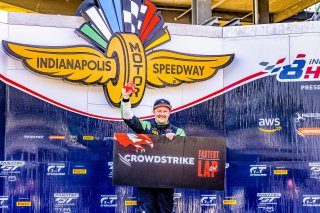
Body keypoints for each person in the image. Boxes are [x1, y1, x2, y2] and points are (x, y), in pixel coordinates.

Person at [121, 87, 185, 213]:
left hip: (166, 180)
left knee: (164, 210)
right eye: (158, 111)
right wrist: (125, 98)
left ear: (169, 113)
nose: (161, 113)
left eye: (164, 111)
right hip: (145, 178)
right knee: (145, 210)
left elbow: (185, 152)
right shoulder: (146, 125)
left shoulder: (178, 131)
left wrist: (176, 140)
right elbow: (127, 117)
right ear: (153, 112)